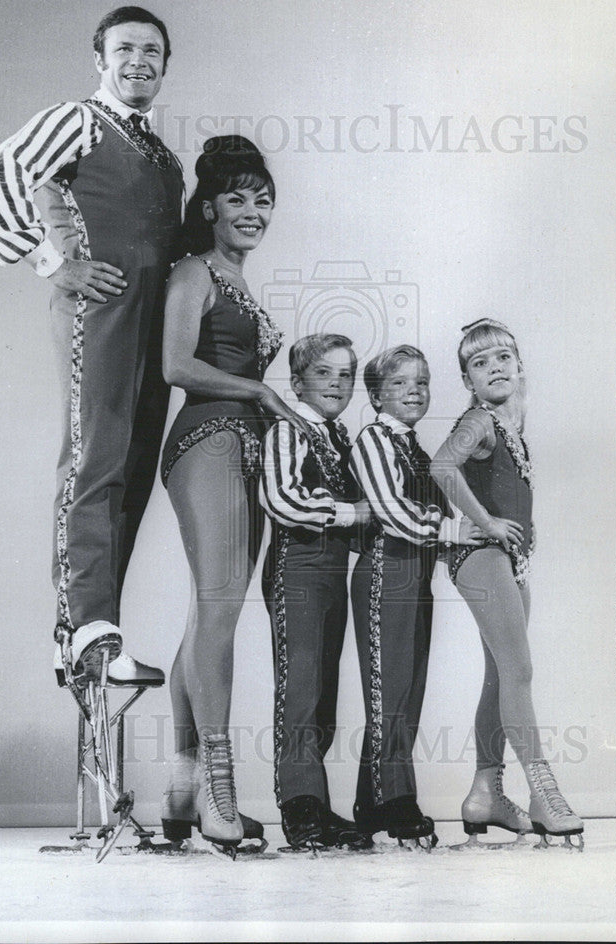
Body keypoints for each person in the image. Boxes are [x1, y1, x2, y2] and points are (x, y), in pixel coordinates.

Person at [0, 6, 183, 684]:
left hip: (151, 328)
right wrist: (50, 262)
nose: (138, 61)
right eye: (124, 49)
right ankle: (77, 627)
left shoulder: (161, 153)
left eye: (152, 50)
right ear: (100, 59)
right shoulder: (79, 119)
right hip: (101, 315)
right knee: (94, 460)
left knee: (132, 471)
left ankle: (105, 631)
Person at [160, 136, 311, 852]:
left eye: (263, 198)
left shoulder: (238, 277)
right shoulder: (194, 271)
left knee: (206, 614)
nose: (253, 211)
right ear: (210, 206)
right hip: (207, 441)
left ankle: (183, 792)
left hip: (243, 447)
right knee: (219, 609)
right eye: (237, 199)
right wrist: (256, 388)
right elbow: (174, 364)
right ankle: (221, 796)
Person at [431, 319, 584, 849]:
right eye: (479, 362)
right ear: (468, 380)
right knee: (519, 670)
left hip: (508, 560)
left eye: (502, 357)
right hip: (479, 554)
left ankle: (485, 794)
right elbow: (442, 466)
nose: (494, 367)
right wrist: (489, 523)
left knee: (501, 677)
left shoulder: (511, 425)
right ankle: (543, 793)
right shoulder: (480, 420)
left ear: (519, 366)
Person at [349, 344, 483, 847]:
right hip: (386, 572)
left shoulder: (415, 446)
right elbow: (391, 511)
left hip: (417, 576)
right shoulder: (374, 439)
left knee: (406, 692)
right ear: (377, 394)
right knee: (388, 693)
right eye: (401, 383)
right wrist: (452, 530)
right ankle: (397, 801)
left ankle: (369, 801)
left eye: (422, 382)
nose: (414, 391)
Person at [259, 333, 372, 850]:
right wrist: (351, 513)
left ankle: (319, 804)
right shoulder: (289, 428)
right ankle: (298, 806)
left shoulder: (339, 436)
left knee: (325, 688)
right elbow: (282, 498)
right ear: (297, 382)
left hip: (330, 570)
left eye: (344, 375)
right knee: (301, 684)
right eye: (323, 373)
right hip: (297, 567)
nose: (335, 383)